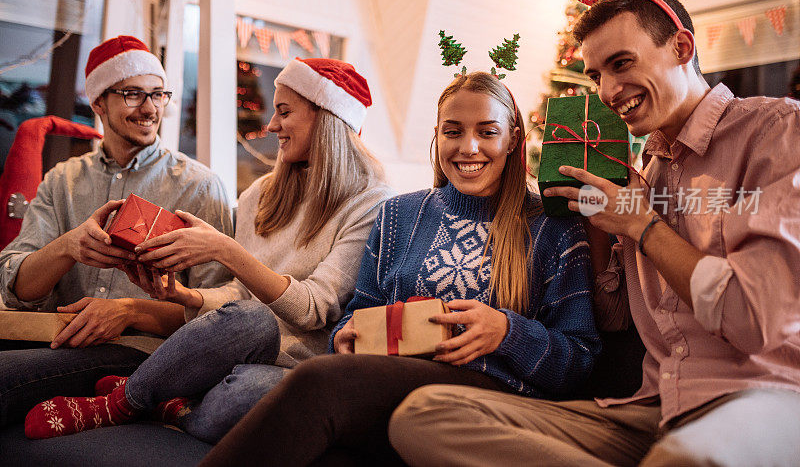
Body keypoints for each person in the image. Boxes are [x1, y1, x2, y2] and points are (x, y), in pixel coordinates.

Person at [387, 0, 800, 467]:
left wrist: (642, 225)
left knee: (683, 461)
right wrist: (600, 229)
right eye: (596, 74)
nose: (606, 91)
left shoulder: (776, 130)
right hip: (657, 408)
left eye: (621, 64)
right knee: (425, 416)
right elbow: (613, 321)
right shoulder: (642, 175)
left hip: (764, 394)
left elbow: (756, 319)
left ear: (681, 47)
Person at [198, 71, 602, 466]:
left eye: (488, 132)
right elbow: (358, 312)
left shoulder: (553, 226)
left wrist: (507, 332)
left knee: (317, 381)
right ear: (437, 135)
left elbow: (580, 360)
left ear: (513, 138)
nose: (469, 147)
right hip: (394, 388)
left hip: (489, 401)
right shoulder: (399, 214)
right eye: (453, 131)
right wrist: (346, 337)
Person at [25, 57, 393, 443]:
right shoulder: (262, 195)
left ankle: (154, 401)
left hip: (296, 365)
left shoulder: (371, 204)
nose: (271, 126)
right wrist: (187, 295)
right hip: (236, 347)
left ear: (329, 119)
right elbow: (240, 298)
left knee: (242, 396)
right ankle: (123, 403)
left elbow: (316, 309)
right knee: (252, 318)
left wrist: (224, 249)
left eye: (284, 112)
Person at [0, 36, 233, 427]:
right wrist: (67, 247)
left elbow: (216, 315)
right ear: (97, 104)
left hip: (142, 354)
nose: (150, 108)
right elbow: (15, 287)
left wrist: (127, 313)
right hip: (53, 337)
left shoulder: (199, 186)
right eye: (132, 94)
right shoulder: (64, 181)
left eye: (158, 95)